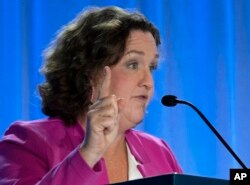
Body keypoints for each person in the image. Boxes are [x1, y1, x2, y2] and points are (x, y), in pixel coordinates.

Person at [0, 6, 182, 185]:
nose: (148, 82)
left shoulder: (159, 151)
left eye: (151, 67)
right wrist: (88, 153)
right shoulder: (28, 141)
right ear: (90, 74)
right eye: (133, 64)